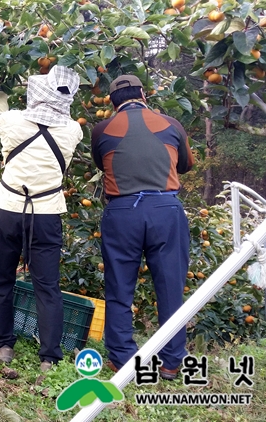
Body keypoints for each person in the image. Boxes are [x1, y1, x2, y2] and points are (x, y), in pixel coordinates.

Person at [91, 75, 194, 380]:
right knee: (170, 286)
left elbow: (102, 163)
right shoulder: (172, 124)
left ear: (112, 102)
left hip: (122, 212)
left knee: (120, 288)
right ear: (144, 95)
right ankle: (172, 361)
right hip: (165, 209)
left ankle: (123, 358)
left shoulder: (101, 130)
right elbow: (186, 164)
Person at [0, 66, 83, 371]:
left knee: (2, 276)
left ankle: (2, 344)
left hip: (8, 210)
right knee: (47, 285)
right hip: (46, 214)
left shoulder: (12, 121)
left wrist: (1, 90)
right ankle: (49, 356)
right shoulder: (73, 131)